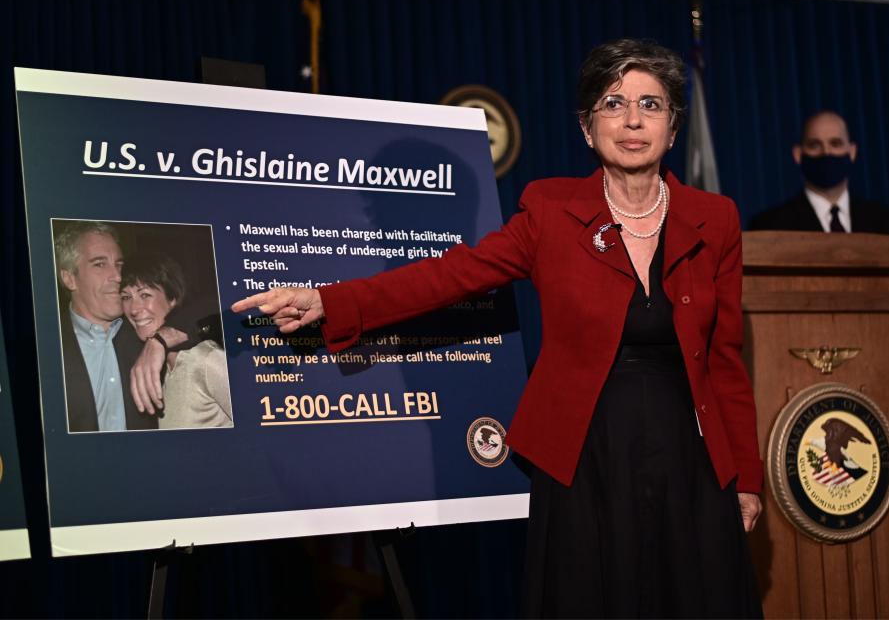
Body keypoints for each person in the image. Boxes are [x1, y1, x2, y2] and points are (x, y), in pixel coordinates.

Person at [233, 38, 763, 617]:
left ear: (673, 126)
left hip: (690, 458)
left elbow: (725, 360)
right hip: (585, 457)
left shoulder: (717, 219)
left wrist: (747, 478)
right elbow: (451, 275)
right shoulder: (549, 210)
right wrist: (328, 300)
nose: (633, 120)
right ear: (588, 128)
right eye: (614, 104)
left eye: (651, 104)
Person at [120, 253, 233, 429]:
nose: (134, 309)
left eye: (145, 295)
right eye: (126, 297)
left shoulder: (206, 360)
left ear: (172, 298)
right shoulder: (160, 367)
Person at [749, 110, 889, 235]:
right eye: (815, 145)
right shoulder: (768, 226)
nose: (826, 152)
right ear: (798, 154)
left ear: (852, 152)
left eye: (835, 143)